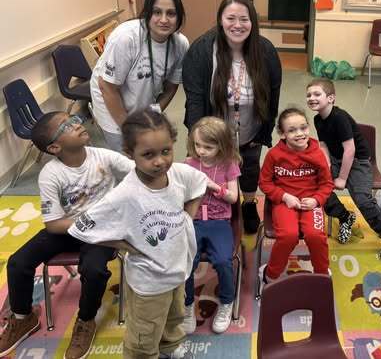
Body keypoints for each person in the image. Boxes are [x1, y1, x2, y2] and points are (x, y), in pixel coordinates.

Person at [67, 109, 208, 359]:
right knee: (145, 331)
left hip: (177, 269)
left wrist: (188, 216)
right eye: (148, 155)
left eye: (165, 151)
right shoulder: (125, 194)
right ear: (129, 154)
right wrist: (124, 244)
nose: (160, 161)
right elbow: (81, 227)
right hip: (148, 282)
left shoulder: (176, 173)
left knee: (173, 316)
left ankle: (169, 345)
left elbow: (199, 182)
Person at [0, 112, 134, 359]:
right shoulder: (50, 174)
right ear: (55, 147)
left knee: (94, 269)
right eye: (67, 125)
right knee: (18, 262)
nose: (77, 124)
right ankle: (23, 318)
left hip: (102, 230)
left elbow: (137, 172)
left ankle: (85, 321)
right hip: (68, 228)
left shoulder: (103, 156)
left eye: (74, 119)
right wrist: (85, 223)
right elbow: (53, 224)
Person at [182, 0, 282, 234]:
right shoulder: (202, 51)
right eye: (231, 18)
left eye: (244, 19)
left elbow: (273, 95)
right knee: (210, 171)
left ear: (253, 22)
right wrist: (201, 139)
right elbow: (194, 99)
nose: (237, 25)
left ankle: (248, 204)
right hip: (212, 131)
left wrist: (264, 132)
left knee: (249, 167)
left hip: (250, 125)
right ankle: (211, 209)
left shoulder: (265, 51)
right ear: (220, 20)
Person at [306, 78, 381, 261]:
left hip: (357, 161)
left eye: (317, 94)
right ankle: (344, 217)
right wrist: (326, 166)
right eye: (309, 95)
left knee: (363, 201)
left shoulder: (339, 117)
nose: (312, 98)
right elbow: (324, 145)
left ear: (331, 98)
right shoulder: (318, 119)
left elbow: (350, 150)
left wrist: (341, 178)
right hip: (336, 159)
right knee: (317, 185)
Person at [90, 0, 189, 152]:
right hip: (110, 100)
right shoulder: (126, 38)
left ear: (179, 17)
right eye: (157, 12)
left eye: (171, 13)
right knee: (126, 155)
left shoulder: (180, 44)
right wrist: (128, 129)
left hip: (141, 98)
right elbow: (107, 87)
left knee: (146, 153)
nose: (164, 20)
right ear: (148, 13)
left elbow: (171, 87)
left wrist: (154, 112)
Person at [258, 107, 334, 290]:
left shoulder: (317, 154)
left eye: (303, 128)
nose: (300, 134)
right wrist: (284, 197)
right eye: (292, 130)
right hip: (286, 203)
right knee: (288, 236)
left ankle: (322, 275)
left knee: (315, 236)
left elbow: (327, 184)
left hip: (311, 203)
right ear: (282, 134)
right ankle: (270, 274)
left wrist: (316, 200)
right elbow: (265, 183)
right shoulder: (274, 155)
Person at [182, 117, 241, 335]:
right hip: (193, 220)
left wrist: (214, 187)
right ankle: (187, 306)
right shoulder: (189, 163)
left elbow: (234, 198)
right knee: (186, 261)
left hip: (219, 222)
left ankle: (226, 302)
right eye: (198, 145)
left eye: (208, 146)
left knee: (224, 261)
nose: (202, 151)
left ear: (222, 144)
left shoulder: (229, 165)